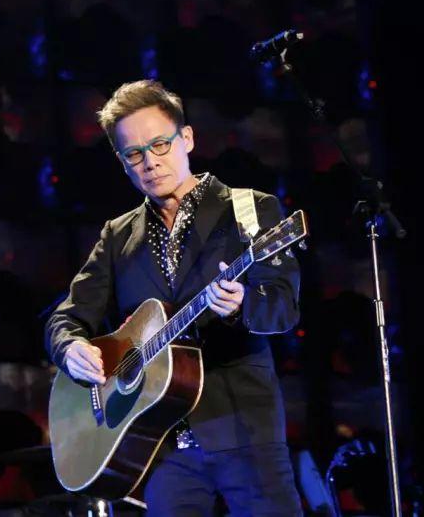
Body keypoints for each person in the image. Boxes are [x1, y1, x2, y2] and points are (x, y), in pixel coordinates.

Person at [45, 80, 302, 516]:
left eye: (160, 144)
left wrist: (242, 303)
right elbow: (65, 318)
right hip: (158, 443)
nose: (150, 162)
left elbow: (283, 309)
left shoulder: (248, 209)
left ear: (187, 139)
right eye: (134, 154)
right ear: (122, 162)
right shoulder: (118, 236)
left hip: (242, 427)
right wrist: (70, 348)